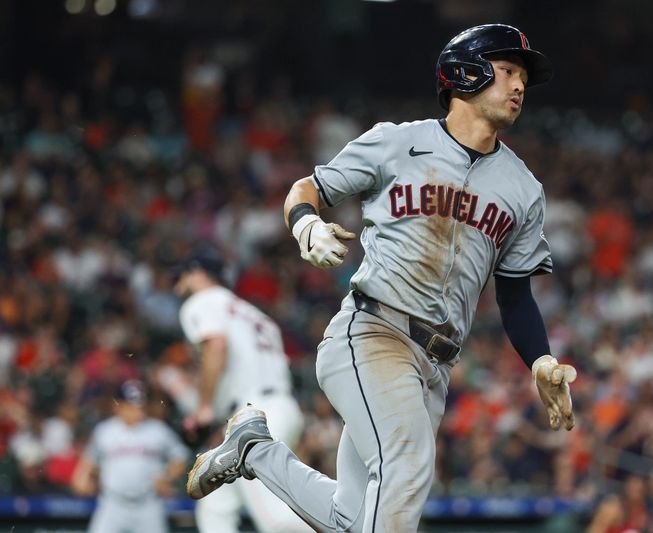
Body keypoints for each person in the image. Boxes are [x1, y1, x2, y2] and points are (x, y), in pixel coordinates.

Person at [185, 23, 578, 532]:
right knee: (406, 471)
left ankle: (253, 450)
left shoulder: (524, 188)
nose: (519, 85)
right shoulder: (398, 142)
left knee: (354, 517)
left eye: (523, 76)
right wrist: (306, 225)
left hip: (434, 368)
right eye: (507, 71)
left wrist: (541, 359)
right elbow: (307, 188)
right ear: (464, 73)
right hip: (373, 334)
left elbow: (515, 295)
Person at [173, 247, 312, 533]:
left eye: (183, 276)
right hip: (275, 409)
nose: (179, 285)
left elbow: (217, 345)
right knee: (216, 503)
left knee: (274, 520)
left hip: (254, 417)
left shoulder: (202, 302)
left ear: (197, 273)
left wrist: (204, 408)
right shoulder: (254, 314)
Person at [71, 379, 188, 533]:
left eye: (140, 405)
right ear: (118, 406)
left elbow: (181, 457)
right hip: (112, 504)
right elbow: (88, 463)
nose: (138, 410)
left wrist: (167, 477)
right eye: (132, 405)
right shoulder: (105, 431)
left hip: (148, 504)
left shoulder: (158, 430)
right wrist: (82, 479)